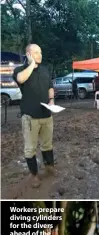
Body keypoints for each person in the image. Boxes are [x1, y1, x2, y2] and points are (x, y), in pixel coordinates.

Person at [13, 44, 55, 188]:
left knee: (47, 144)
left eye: (41, 52)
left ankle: (49, 166)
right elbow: (20, 79)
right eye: (36, 53)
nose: (40, 55)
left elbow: (50, 86)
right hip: (30, 117)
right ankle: (34, 175)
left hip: (46, 115)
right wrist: (31, 65)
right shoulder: (20, 70)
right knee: (30, 148)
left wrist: (52, 100)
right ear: (28, 55)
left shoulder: (45, 70)